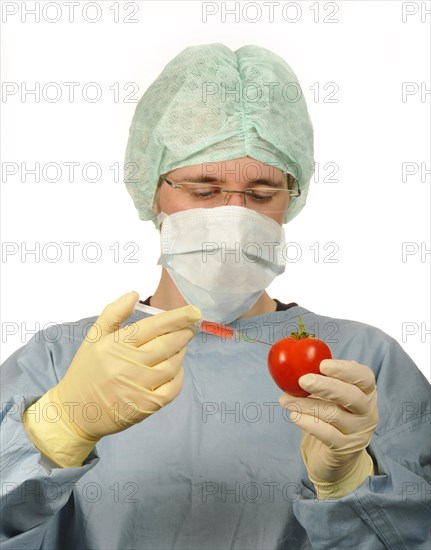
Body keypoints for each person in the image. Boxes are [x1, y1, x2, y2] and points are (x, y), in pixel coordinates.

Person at [1, 44, 430, 550]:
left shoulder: (361, 360)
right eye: (202, 191)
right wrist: (59, 429)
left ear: (291, 200)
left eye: (261, 193)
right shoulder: (62, 359)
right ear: (151, 192)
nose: (232, 214)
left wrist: (350, 483)